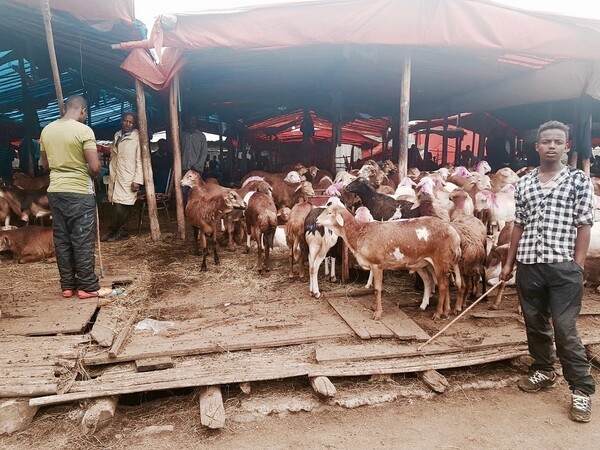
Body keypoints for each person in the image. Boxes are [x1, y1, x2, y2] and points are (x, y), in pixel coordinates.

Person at [500, 120, 595, 423]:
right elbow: (519, 224)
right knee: (534, 322)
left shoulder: (578, 180)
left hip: (563, 267)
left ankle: (581, 390)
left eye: (557, 141)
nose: (551, 146)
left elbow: (584, 224)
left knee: (565, 329)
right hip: (529, 264)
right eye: (546, 141)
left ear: (566, 146)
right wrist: (508, 262)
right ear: (537, 146)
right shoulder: (525, 182)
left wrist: (577, 265)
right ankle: (543, 369)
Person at [39, 95, 110, 300]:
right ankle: (87, 286)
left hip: (55, 191)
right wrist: (83, 168)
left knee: (62, 239)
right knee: (82, 239)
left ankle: (67, 285)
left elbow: (43, 164)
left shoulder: (47, 130)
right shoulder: (84, 130)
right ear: (82, 111)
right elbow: (95, 167)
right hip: (79, 191)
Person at [101, 112, 143, 242]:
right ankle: (115, 230)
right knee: (115, 203)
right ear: (122, 121)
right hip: (116, 174)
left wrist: (137, 180)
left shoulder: (138, 138)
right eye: (126, 121)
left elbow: (140, 160)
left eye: (131, 122)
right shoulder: (117, 135)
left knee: (122, 205)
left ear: (134, 124)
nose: (128, 124)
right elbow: (114, 154)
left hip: (129, 176)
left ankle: (120, 230)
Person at [181, 116, 208, 203]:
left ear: (197, 122)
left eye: (194, 121)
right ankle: (186, 210)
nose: (192, 123)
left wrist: (197, 166)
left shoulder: (201, 136)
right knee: (184, 191)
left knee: (197, 191)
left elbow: (204, 153)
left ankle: (196, 210)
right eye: (190, 121)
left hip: (196, 169)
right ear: (187, 123)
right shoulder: (182, 135)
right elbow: (178, 150)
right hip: (184, 167)